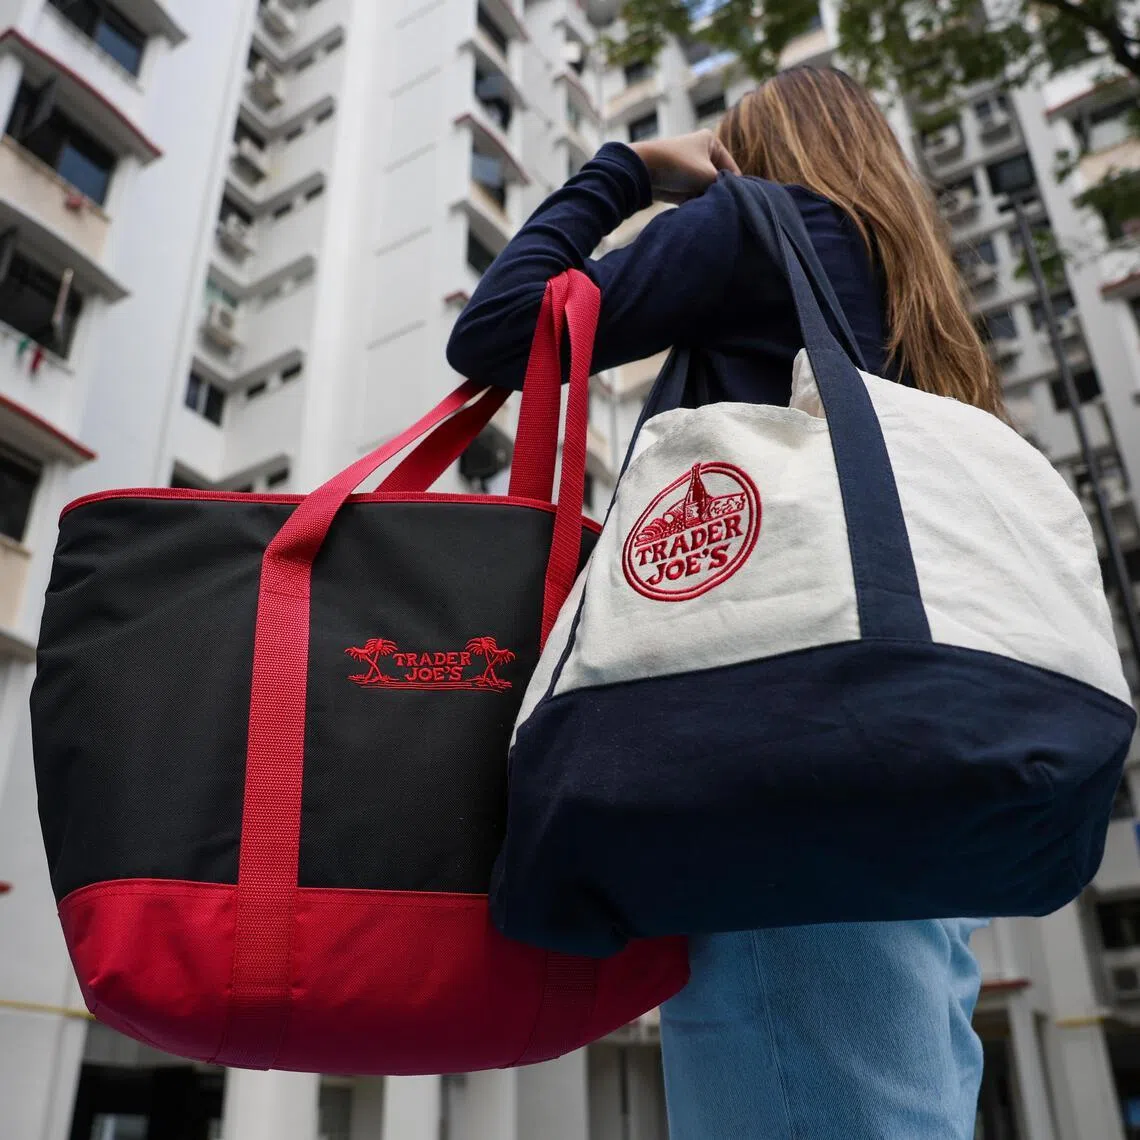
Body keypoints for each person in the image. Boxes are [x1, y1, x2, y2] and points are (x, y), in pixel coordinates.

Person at [448, 65, 1000, 1140]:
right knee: (902, 1091)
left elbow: (503, 331)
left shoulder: (759, 223)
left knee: (798, 1084)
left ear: (744, 155)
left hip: (779, 751)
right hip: (913, 753)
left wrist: (632, 169)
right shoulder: (910, 290)